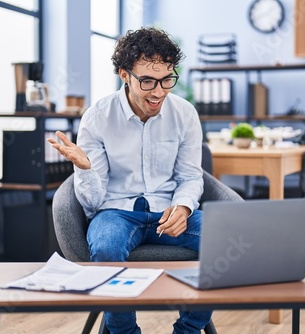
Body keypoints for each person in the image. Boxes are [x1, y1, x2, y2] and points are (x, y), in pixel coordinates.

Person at [48, 27, 212, 334]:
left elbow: (191, 175)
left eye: (167, 79)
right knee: (107, 246)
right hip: (116, 211)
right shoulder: (98, 117)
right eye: (147, 81)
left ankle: (188, 330)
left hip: (169, 210)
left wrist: (184, 207)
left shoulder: (185, 114)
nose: (159, 91)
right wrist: (84, 169)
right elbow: (93, 202)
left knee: (226, 240)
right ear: (125, 75)